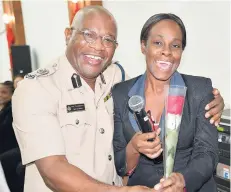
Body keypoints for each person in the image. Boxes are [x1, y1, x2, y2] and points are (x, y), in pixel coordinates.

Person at [12, 6, 223, 192]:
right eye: (88, 35)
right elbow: (53, 170)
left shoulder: (113, 79)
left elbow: (206, 151)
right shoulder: (36, 89)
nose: (97, 47)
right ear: (68, 35)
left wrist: (216, 101)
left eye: (108, 40)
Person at [112, 13, 220, 192]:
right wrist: (133, 147)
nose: (167, 51)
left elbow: (207, 153)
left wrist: (183, 180)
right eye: (158, 43)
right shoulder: (121, 93)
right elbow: (118, 161)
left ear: (181, 52)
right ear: (143, 46)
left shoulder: (200, 90)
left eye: (175, 45)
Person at [0, 81, 24, 192]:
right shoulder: (3, 109)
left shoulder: (13, 108)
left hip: (12, 147)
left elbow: (5, 129)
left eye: (4, 92)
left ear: (11, 94)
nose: (0, 95)